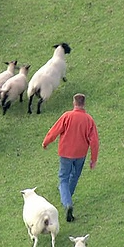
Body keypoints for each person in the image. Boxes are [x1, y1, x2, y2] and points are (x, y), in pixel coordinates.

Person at [42, 93, 99, 222]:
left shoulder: (67, 116)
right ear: (84, 104)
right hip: (80, 154)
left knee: (63, 178)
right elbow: (94, 141)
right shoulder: (89, 120)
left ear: (74, 103)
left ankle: (67, 203)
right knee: (74, 176)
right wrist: (93, 159)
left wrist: (46, 142)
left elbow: (54, 131)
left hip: (65, 153)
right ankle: (67, 197)